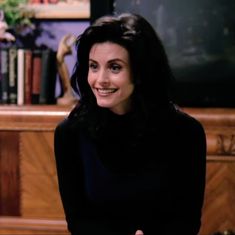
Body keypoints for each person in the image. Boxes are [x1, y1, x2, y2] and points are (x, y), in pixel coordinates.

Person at [54, 12, 207, 235]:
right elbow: (78, 221)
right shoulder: (69, 134)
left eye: (115, 67)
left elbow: (187, 220)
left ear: (141, 72)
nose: (100, 80)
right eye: (94, 66)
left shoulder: (187, 133)